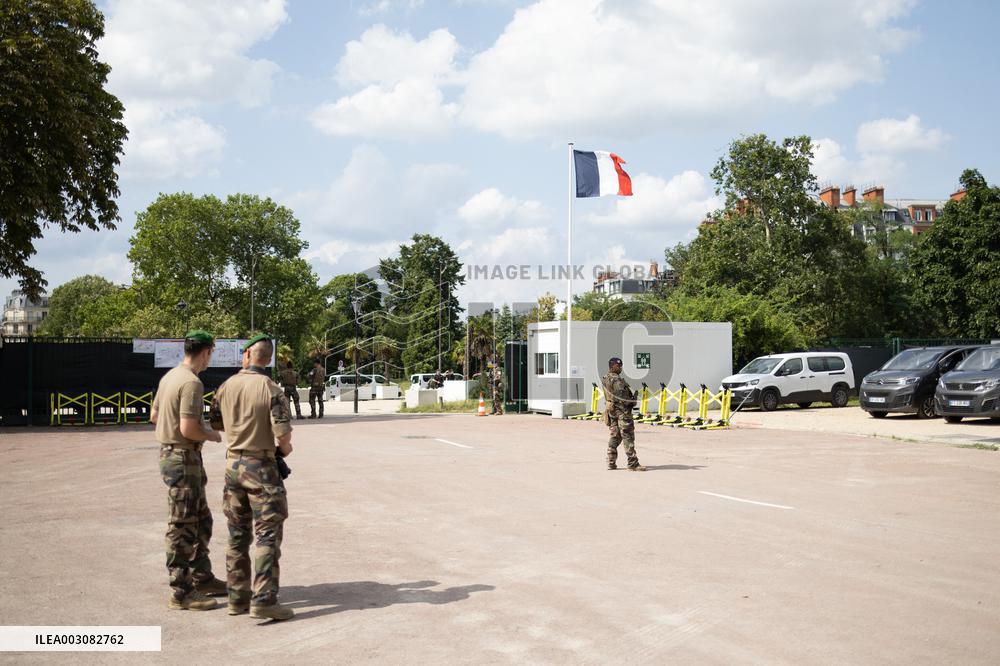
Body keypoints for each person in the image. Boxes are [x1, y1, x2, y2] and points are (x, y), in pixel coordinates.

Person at [209, 334, 295, 621]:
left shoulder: (225, 387)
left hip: (233, 466)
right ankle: (264, 599)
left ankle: (237, 598)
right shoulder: (272, 389)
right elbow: (283, 436)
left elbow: (216, 423)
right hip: (262, 469)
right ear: (268, 358)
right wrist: (284, 449)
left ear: (246, 356)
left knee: (237, 534)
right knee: (267, 535)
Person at [150, 329, 227, 611]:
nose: (210, 359)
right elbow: (188, 428)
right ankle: (181, 591)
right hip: (183, 457)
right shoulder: (192, 383)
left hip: (173, 455)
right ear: (205, 352)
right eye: (211, 353)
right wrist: (210, 434)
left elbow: (154, 415)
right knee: (182, 525)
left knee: (201, 520)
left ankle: (202, 577)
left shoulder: (169, 377)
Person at [601, 357, 646, 471]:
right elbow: (623, 397)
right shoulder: (616, 380)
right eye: (618, 366)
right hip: (622, 412)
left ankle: (611, 462)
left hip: (611, 410)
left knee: (615, 436)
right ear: (612, 366)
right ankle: (633, 463)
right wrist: (632, 401)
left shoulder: (606, 378)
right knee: (627, 436)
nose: (620, 367)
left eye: (621, 365)